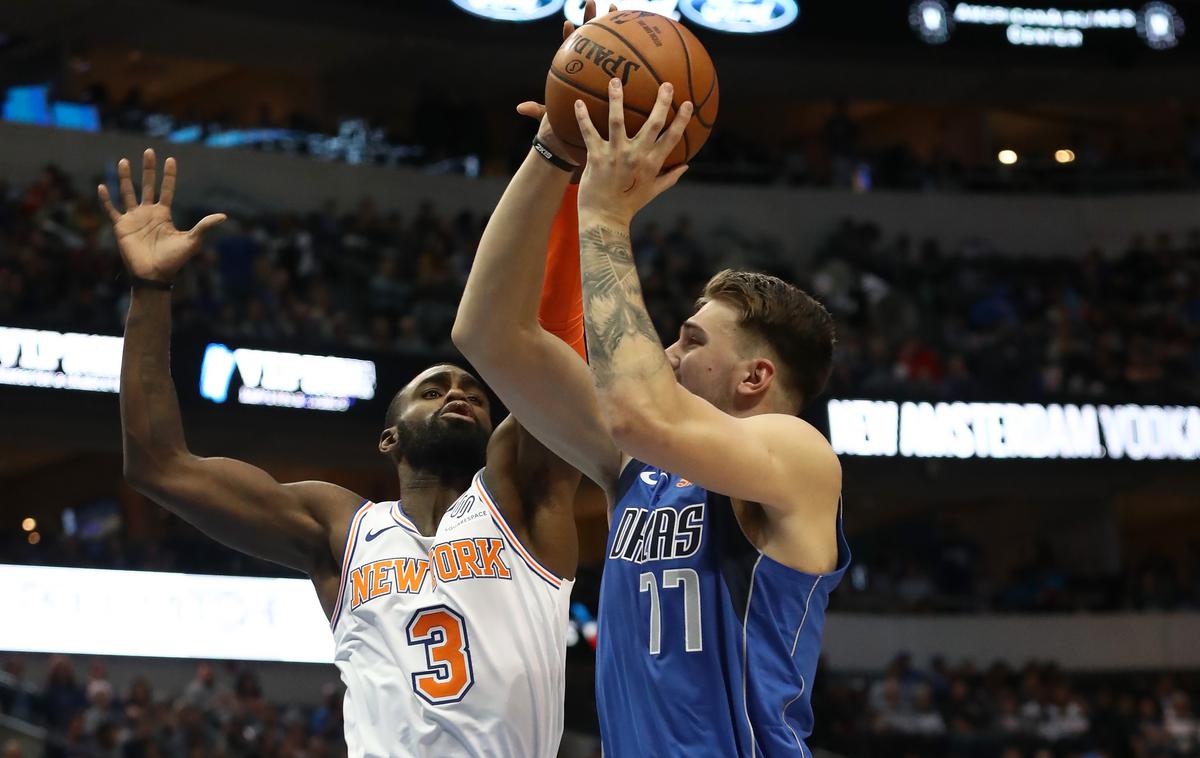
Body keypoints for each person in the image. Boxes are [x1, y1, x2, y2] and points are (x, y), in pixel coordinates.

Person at [101, 148, 583, 758]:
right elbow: (159, 465)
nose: (459, 394)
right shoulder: (343, 528)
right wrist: (149, 287)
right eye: (432, 390)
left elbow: (556, 358)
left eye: (474, 395)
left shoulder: (521, 499)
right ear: (389, 438)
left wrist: (565, 174)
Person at [455, 68, 849, 756]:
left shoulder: (798, 457)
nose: (666, 354)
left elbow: (642, 413)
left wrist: (604, 217)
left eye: (691, 341)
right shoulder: (639, 465)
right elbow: (488, 334)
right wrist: (551, 153)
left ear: (757, 376)